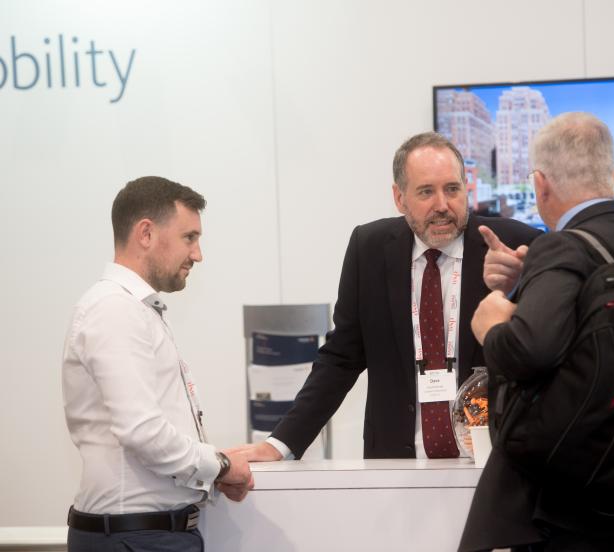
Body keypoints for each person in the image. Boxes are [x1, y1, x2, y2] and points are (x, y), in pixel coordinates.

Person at [459, 113, 614, 552]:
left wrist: (491, 324)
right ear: (613, 176)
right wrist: (523, 286)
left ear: (540, 184)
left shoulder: (560, 246)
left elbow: (532, 349)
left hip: (565, 507)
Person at [234, 132, 541, 462]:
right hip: (396, 463)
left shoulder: (514, 246)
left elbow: (545, 348)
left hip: (494, 463)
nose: (442, 205)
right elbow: (341, 357)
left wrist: (516, 289)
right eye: (426, 191)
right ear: (399, 198)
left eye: (452, 189)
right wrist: (281, 443)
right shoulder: (369, 248)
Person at [62, 177, 254, 552]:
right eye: (189, 237)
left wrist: (212, 472)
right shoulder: (115, 309)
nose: (197, 254)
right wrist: (219, 465)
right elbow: (142, 430)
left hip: (146, 536)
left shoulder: (133, 310)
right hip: (136, 539)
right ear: (146, 233)